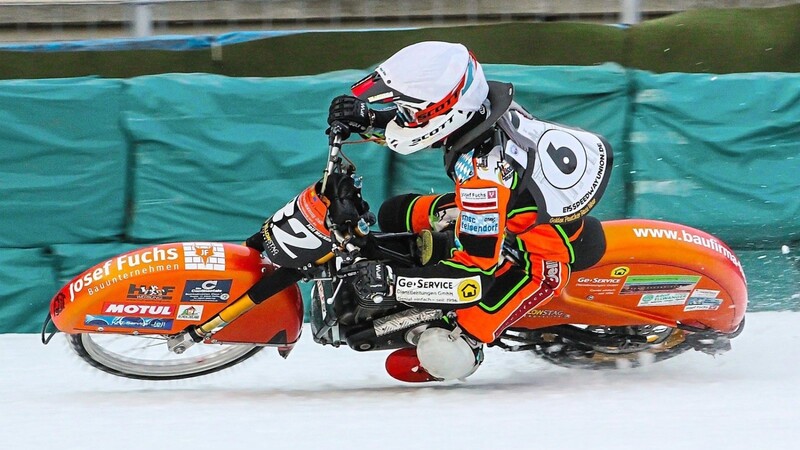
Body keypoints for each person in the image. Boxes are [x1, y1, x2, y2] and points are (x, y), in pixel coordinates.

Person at [327, 41, 612, 382]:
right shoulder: (484, 106)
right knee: (396, 213)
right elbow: (432, 121)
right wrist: (373, 116)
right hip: (512, 207)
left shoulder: (483, 179)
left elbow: (473, 277)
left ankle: (470, 347)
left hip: (538, 256)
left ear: (448, 110)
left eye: (408, 112)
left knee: (443, 352)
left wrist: (394, 284)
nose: (404, 119)